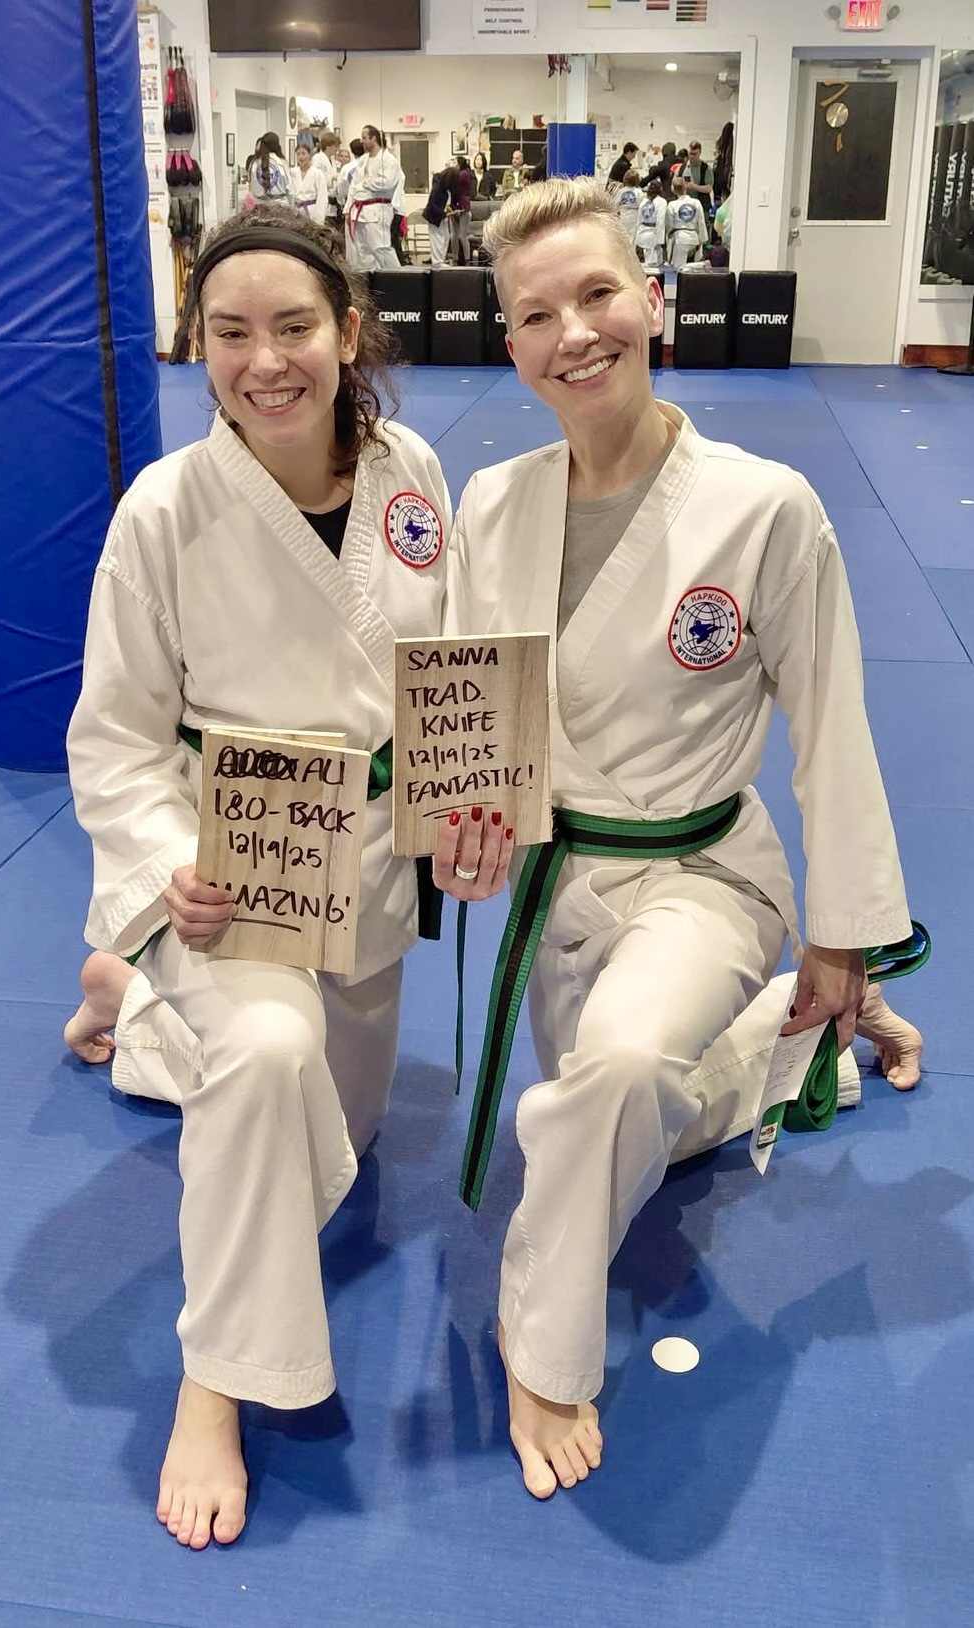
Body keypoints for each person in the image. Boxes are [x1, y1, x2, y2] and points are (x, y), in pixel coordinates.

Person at [436, 177, 920, 1500]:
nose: (574, 332)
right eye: (535, 314)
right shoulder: (494, 505)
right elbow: (474, 717)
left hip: (707, 866)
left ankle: (539, 1346)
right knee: (629, 1104)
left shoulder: (763, 507)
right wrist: (461, 831)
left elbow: (832, 727)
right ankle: (785, 1035)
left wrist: (842, 936)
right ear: (510, 342)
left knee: (611, 1080)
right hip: (560, 880)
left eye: (598, 293)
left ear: (653, 297)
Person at [64, 203, 452, 1548]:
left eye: (293, 326)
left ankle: (119, 997)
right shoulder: (163, 512)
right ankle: (217, 1381)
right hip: (227, 880)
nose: (262, 360)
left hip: (366, 881)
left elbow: (448, 677)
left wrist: (470, 804)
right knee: (269, 1061)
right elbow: (115, 742)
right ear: (198, 345)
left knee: (323, 1130)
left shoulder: (412, 472)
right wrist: (167, 874)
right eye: (228, 333)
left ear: (347, 333)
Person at [345, 125, 403, 273]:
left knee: (380, 248)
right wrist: (347, 209)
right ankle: (368, 284)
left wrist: (366, 182)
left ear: (374, 138)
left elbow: (386, 183)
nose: (361, 141)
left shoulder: (389, 159)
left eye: (364, 138)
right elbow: (354, 186)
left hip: (378, 209)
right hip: (359, 209)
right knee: (362, 251)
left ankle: (398, 278)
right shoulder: (363, 160)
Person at [666, 175, 708, 269]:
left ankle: (702, 265)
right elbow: (701, 222)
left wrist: (669, 238)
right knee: (687, 269)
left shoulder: (672, 205)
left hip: (680, 238)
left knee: (679, 267)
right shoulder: (696, 202)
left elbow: (670, 226)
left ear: (673, 189)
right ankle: (700, 265)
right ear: (685, 188)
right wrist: (703, 239)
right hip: (694, 237)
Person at [423, 161, 459, 267]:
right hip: (434, 217)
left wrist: (450, 210)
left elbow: (447, 204)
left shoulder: (445, 188)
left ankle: (440, 260)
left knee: (445, 237)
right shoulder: (438, 188)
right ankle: (437, 262)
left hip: (441, 217)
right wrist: (444, 214)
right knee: (437, 238)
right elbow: (432, 205)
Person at [247, 132, 292, 207]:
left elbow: (251, 189)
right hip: (280, 208)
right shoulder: (281, 162)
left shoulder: (254, 164)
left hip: (260, 208)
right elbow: (290, 188)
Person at [634, 179, 667, 270]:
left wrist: (637, 237)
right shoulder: (661, 202)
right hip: (653, 235)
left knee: (650, 263)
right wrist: (660, 240)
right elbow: (660, 221)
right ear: (660, 189)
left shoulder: (644, 202)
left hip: (642, 233)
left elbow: (639, 220)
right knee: (653, 266)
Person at [292, 142, 327, 224]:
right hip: (296, 211)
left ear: (310, 155)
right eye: (298, 154)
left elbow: (322, 197)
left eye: (303, 154)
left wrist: (319, 220)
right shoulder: (293, 172)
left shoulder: (317, 173)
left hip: (311, 211)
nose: (301, 157)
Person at [312, 131, 343, 224]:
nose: (337, 149)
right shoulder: (317, 158)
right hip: (323, 202)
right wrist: (332, 177)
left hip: (333, 203)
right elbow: (315, 180)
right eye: (335, 146)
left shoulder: (333, 161)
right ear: (328, 145)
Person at [451, 155, 473, 266]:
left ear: (459, 163)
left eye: (454, 161)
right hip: (455, 206)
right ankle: (455, 257)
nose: (452, 163)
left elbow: (455, 180)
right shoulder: (457, 173)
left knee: (462, 235)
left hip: (463, 207)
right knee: (454, 235)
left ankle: (467, 259)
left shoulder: (464, 173)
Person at [614, 168, 643, 248]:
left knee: (623, 237)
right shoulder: (638, 192)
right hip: (634, 215)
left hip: (623, 215)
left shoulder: (621, 191)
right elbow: (641, 205)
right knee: (633, 238)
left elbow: (615, 204)